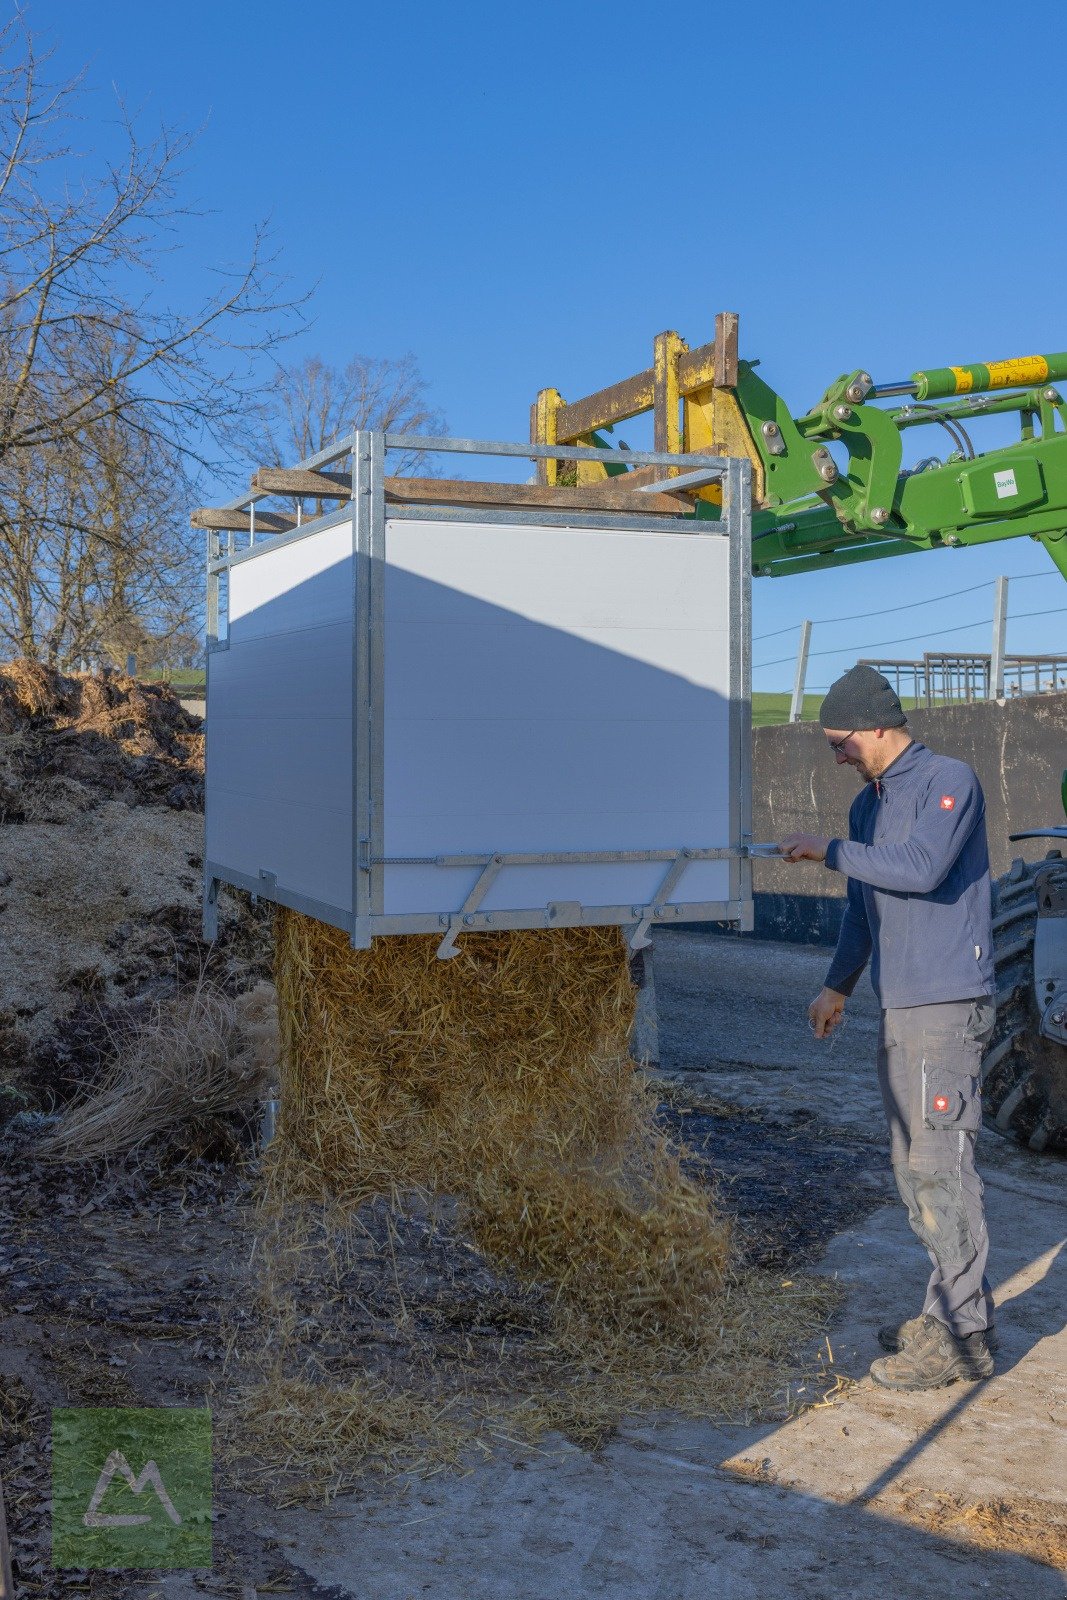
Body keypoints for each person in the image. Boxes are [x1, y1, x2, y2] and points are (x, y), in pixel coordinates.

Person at [779, 664, 997, 1392]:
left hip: (945, 1002)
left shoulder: (950, 779)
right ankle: (946, 1315)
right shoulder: (865, 809)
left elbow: (922, 867)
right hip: (899, 1004)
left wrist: (827, 850)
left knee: (940, 1167)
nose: (835, 756)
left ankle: (961, 1337)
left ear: (877, 725)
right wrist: (836, 984)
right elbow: (860, 906)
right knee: (911, 1168)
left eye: (840, 742)